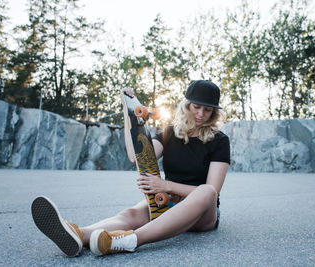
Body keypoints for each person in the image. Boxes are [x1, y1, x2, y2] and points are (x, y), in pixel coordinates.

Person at [31, 80, 230, 257]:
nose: (201, 114)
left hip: (203, 214)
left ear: (214, 113)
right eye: (196, 107)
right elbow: (136, 157)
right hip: (168, 203)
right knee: (129, 214)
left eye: (208, 110)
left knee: (206, 191)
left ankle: (131, 240)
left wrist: (164, 185)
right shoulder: (169, 133)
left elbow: (213, 191)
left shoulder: (220, 141)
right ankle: (77, 235)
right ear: (186, 105)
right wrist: (129, 115)